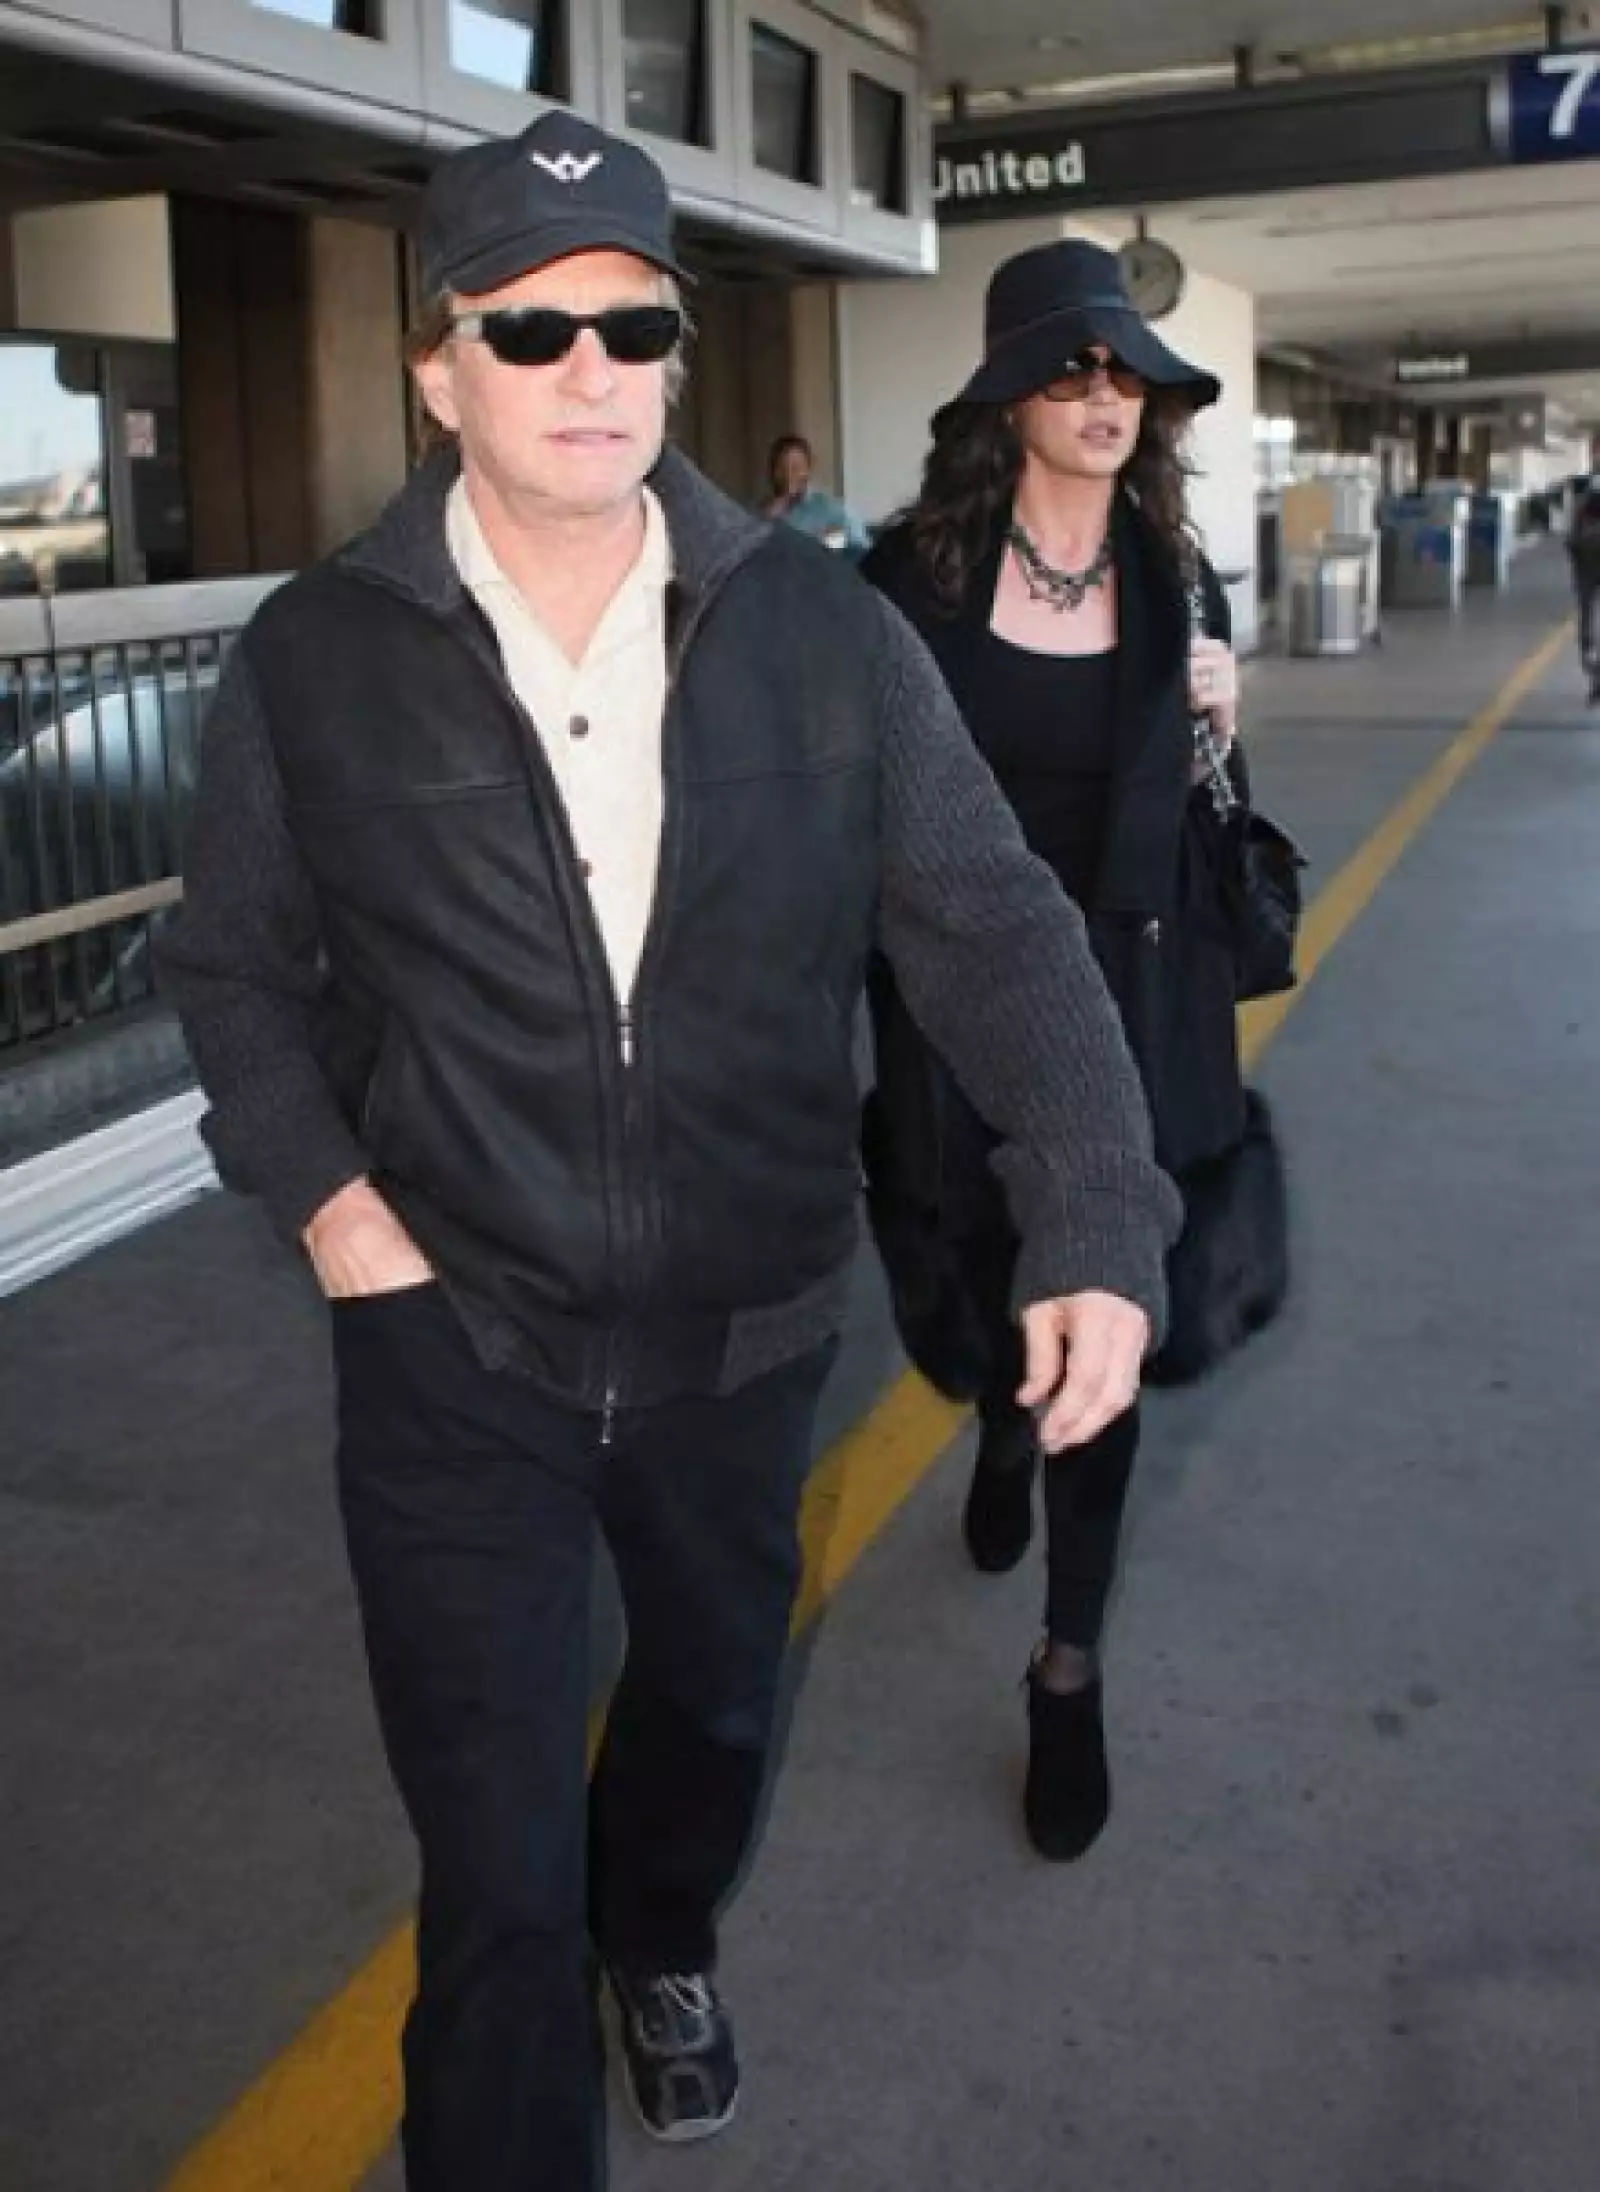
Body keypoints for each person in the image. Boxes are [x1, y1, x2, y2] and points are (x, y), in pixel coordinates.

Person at [158, 116, 1179, 2192]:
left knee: (708, 1719)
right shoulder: (316, 660)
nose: (588, 366)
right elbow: (230, 977)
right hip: (454, 1353)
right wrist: (334, 1208)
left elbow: (985, 923)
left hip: (740, 1331)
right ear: (439, 368)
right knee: (494, 1855)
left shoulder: (819, 638)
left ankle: (671, 1935)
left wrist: (1089, 1198)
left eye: (631, 321)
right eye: (528, 327)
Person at [861, 238, 1246, 1867]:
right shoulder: (905, 584)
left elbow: (1206, 815)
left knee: (1104, 1325)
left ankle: (1067, 1661)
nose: (1107, 396)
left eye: (1128, 375)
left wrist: (1225, 708)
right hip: (950, 1018)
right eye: (1075, 368)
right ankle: (997, 1415)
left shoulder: (1184, 579)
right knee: (955, 1302)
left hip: (1129, 1019)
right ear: (1012, 391)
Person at [762, 432, 869, 554]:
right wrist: (769, 517)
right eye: (781, 468)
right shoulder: (761, 512)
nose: (789, 475)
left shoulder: (830, 508)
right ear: (772, 472)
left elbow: (860, 549)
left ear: (808, 469)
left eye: (796, 468)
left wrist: (833, 541)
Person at [1566, 483, 1600, 700]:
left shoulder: (1582, 509)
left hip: (1585, 573)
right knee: (1586, 619)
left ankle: (1591, 666)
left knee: (1586, 617)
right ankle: (1593, 670)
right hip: (1586, 571)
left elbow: (1571, 543)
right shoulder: (1582, 510)